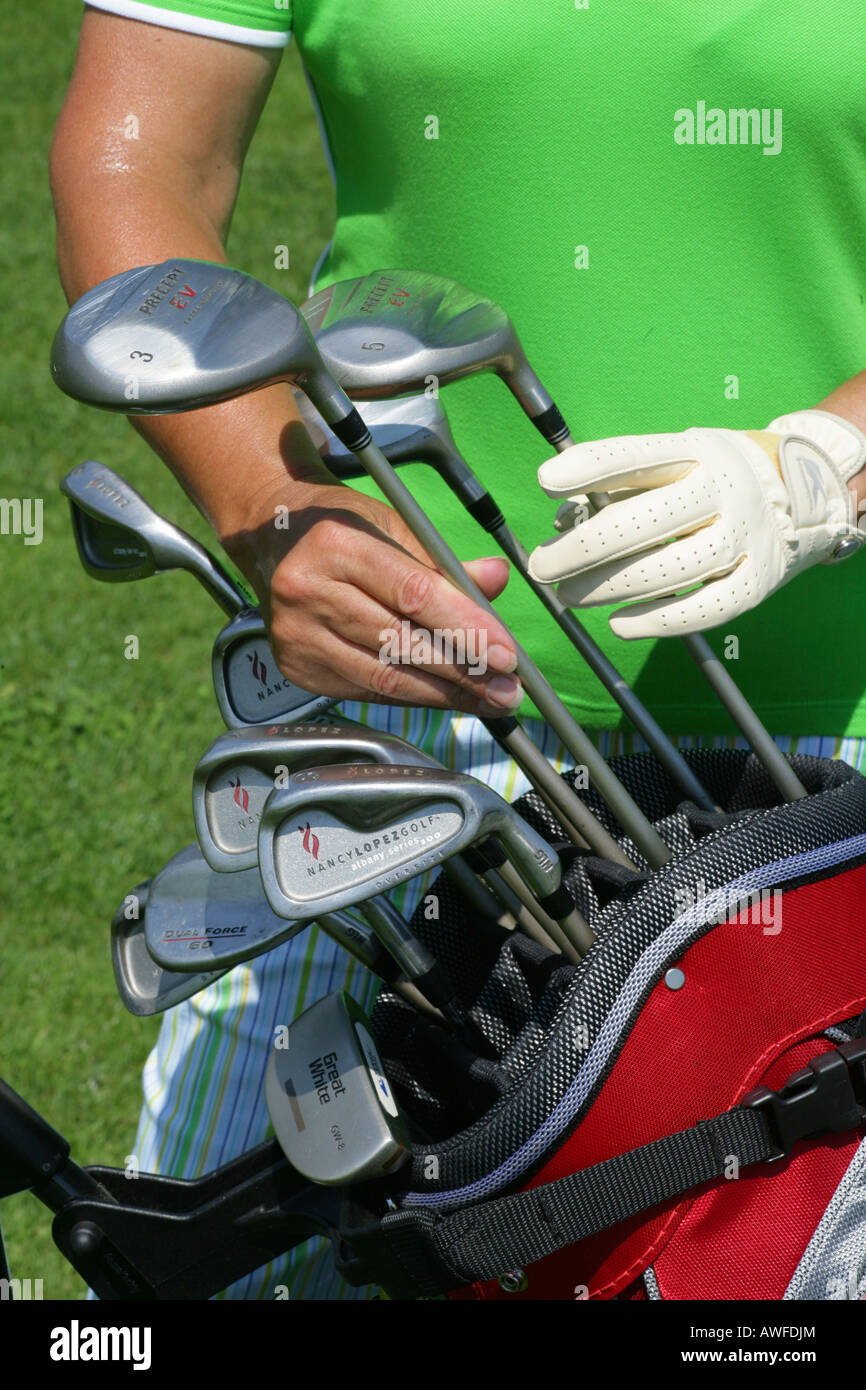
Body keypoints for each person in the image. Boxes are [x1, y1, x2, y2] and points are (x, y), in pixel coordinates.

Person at [51, 2, 866, 1299]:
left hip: (834, 756)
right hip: (402, 712)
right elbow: (138, 162)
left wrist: (826, 466)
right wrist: (270, 502)